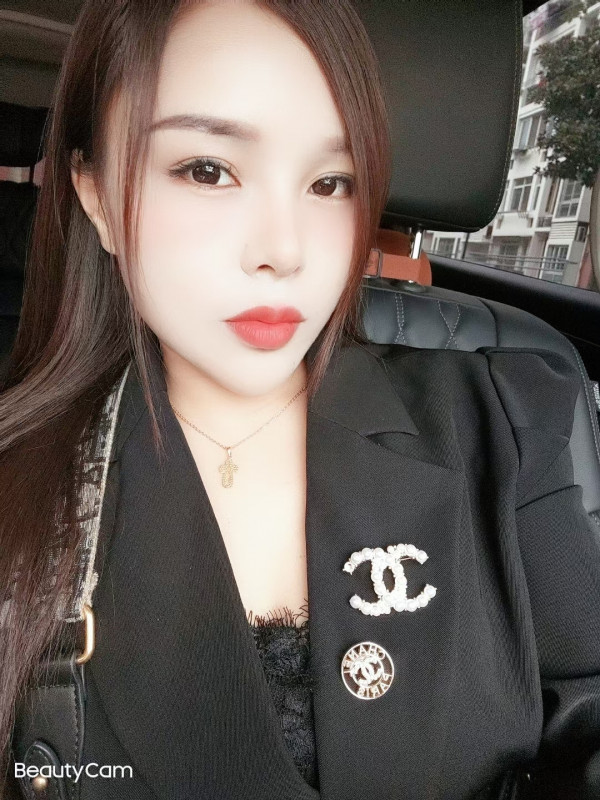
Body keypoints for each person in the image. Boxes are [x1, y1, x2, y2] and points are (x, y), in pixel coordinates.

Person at [1, 1, 599, 798]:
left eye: (330, 182)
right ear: (98, 196)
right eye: (207, 170)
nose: (283, 251)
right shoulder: (19, 484)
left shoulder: (503, 423)